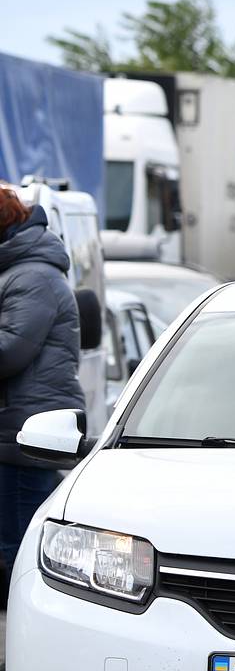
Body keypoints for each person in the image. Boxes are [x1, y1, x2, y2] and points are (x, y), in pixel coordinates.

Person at [0, 186, 85, 633]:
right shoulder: (22, 271)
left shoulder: (32, 276)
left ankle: (27, 648)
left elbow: (10, 350)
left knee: (18, 555)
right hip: (22, 429)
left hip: (26, 434)